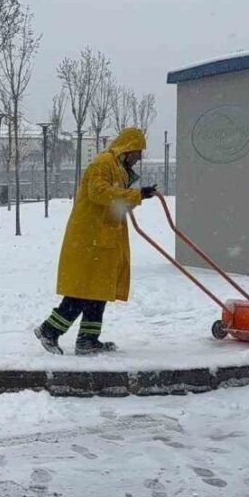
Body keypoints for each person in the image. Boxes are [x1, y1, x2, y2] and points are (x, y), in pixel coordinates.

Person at [34, 127, 157, 355]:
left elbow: (113, 200)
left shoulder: (118, 168)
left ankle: (88, 339)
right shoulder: (103, 163)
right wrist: (136, 194)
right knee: (84, 290)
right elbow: (98, 192)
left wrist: (138, 195)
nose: (139, 158)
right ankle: (49, 330)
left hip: (103, 237)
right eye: (138, 152)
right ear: (127, 148)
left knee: (99, 289)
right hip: (90, 238)